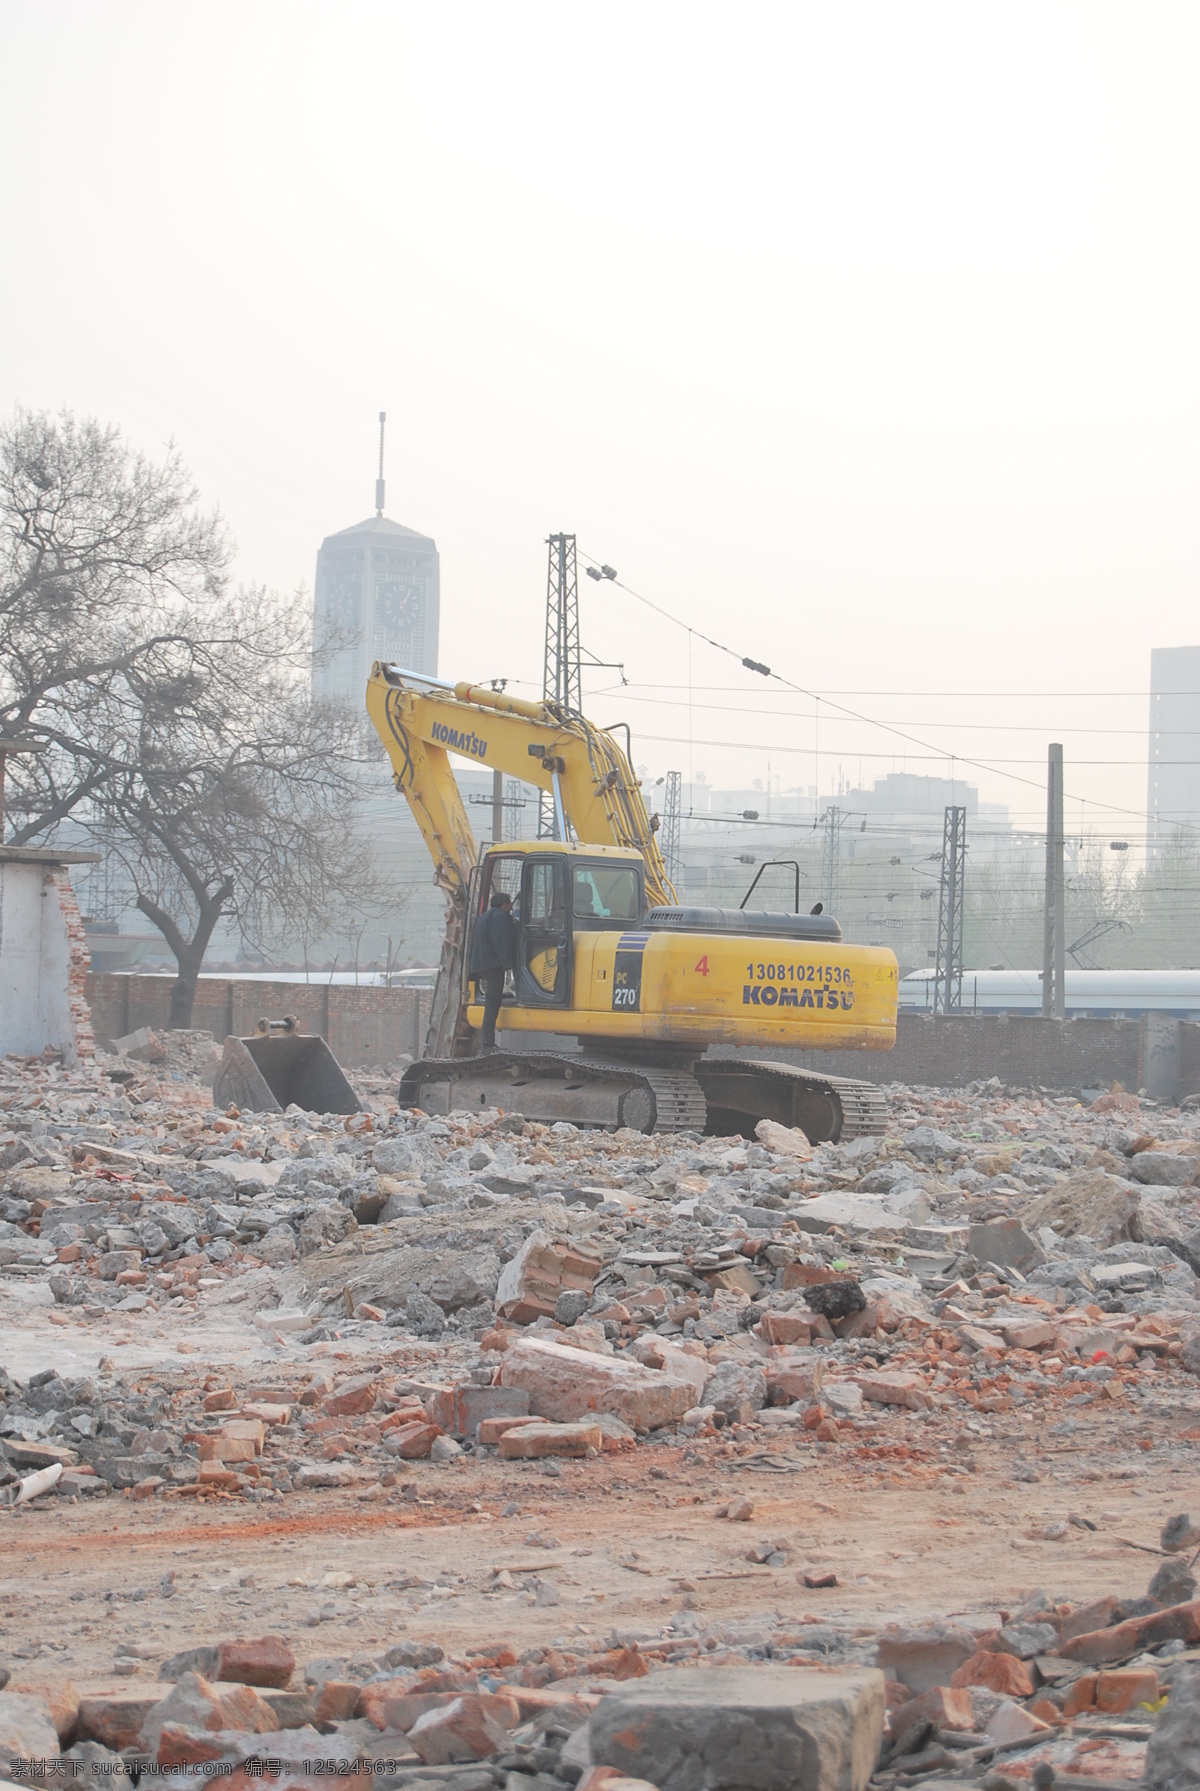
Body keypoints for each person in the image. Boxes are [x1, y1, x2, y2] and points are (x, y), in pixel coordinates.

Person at [469, 890, 518, 1051]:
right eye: (509, 904)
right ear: (504, 903)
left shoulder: (483, 917)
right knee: (492, 1003)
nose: (511, 908)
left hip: (481, 964)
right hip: (492, 964)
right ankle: (487, 1042)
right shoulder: (500, 917)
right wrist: (508, 963)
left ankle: (486, 1040)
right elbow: (502, 940)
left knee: (494, 995)